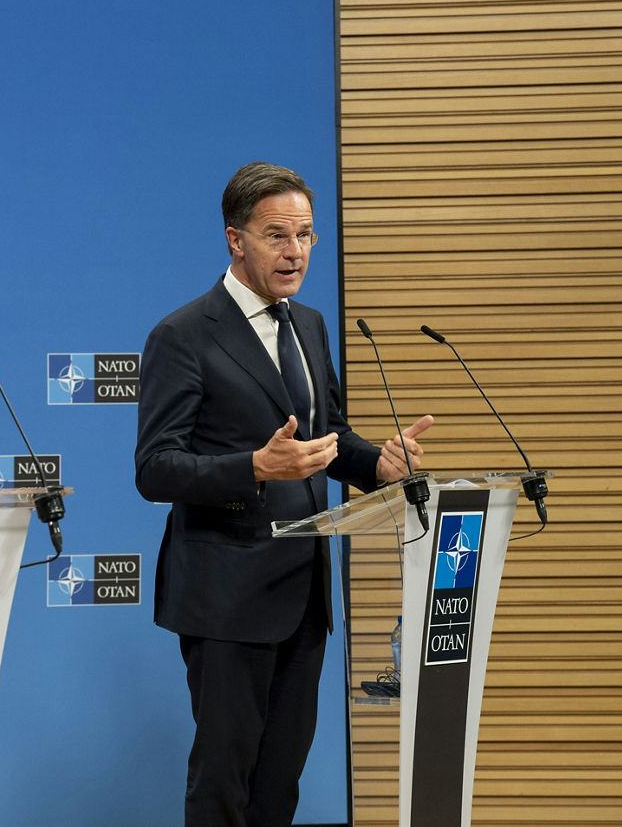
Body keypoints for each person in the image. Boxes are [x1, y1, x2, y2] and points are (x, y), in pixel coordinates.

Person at [134, 162, 433, 827]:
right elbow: (155, 468)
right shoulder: (182, 335)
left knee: (280, 787)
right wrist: (254, 468)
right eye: (277, 235)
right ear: (236, 240)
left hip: (301, 595)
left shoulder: (312, 325)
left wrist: (378, 464)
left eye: (305, 235)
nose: (295, 251)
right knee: (224, 783)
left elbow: (330, 435)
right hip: (225, 595)